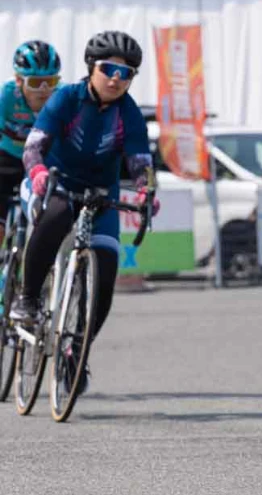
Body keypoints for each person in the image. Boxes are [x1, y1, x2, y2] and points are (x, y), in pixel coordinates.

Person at [10, 30, 156, 394]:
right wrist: (37, 172)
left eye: (125, 73)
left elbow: (141, 162)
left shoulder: (129, 113)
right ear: (92, 68)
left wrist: (146, 190)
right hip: (52, 182)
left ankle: (76, 350)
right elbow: (33, 147)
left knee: (105, 273)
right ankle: (28, 300)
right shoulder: (67, 98)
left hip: (100, 195)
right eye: (108, 69)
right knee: (58, 214)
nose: (116, 79)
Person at [0, 41, 62, 245]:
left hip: (42, 162)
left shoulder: (62, 97)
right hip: (8, 158)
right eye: (36, 83)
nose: (44, 90)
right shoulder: (6, 96)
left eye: (50, 82)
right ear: (19, 80)